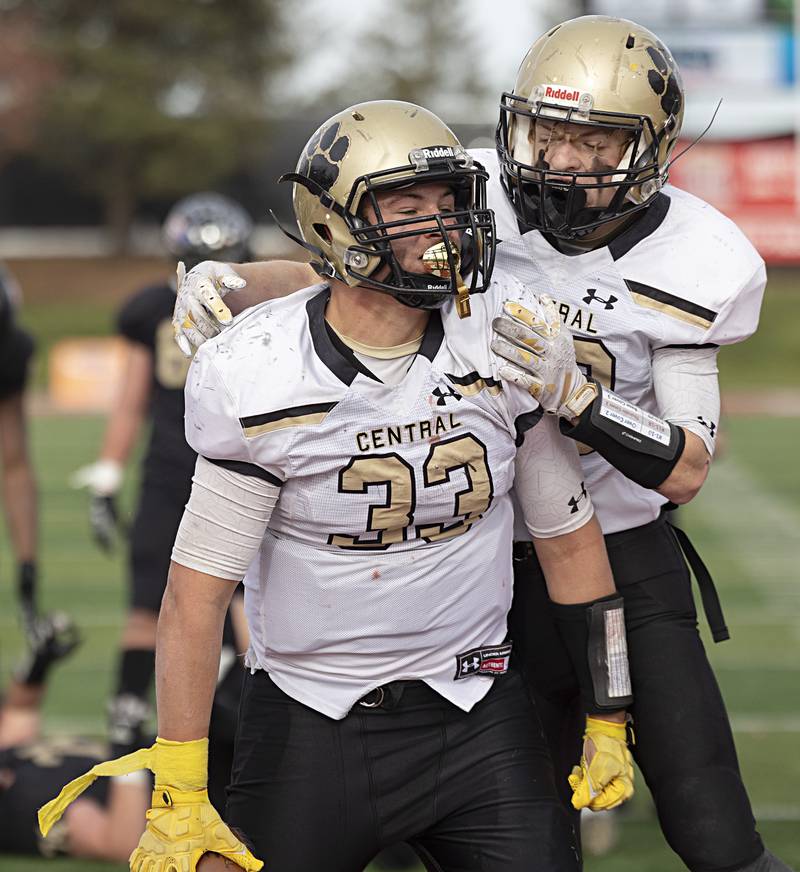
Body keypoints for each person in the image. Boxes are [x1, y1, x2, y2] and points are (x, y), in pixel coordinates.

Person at [167, 16, 793, 872]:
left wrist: (579, 397)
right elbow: (344, 267)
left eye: (594, 139)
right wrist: (232, 284)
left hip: (610, 544)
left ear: (652, 147)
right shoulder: (471, 190)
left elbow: (686, 466)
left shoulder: (698, 258)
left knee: (713, 826)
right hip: (488, 564)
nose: (562, 160)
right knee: (514, 823)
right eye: (548, 131)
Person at [40, 100, 636, 872]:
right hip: (311, 722)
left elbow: (569, 539)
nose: (441, 227)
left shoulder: (505, 334)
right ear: (336, 226)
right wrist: (182, 779)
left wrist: (609, 713)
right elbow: (196, 593)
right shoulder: (262, 368)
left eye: (451, 204)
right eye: (408, 208)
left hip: (478, 715)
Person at [71, 193, 253, 761]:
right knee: (200, 607)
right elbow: (131, 398)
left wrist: (109, 476)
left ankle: (140, 738)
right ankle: (138, 737)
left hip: (207, 472)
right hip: (214, 471)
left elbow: (129, 402)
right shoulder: (262, 305)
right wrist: (107, 473)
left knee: (226, 608)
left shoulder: (163, 304)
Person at [0, 613, 242, 864]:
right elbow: (117, 842)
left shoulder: (8, 760)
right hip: (188, 790)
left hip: (178, 754)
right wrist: (124, 747)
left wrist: (35, 666)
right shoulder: (19, 810)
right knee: (230, 700)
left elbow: (19, 712)